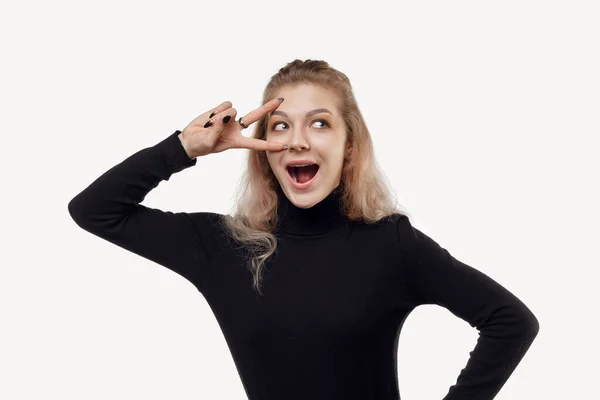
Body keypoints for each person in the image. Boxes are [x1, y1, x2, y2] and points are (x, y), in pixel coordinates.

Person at [68, 59, 539, 400]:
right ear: (262, 145)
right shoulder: (222, 247)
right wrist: (184, 148)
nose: (297, 140)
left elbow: (510, 322)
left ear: (348, 143)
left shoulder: (391, 244)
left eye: (319, 123)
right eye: (279, 126)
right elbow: (96, 210)